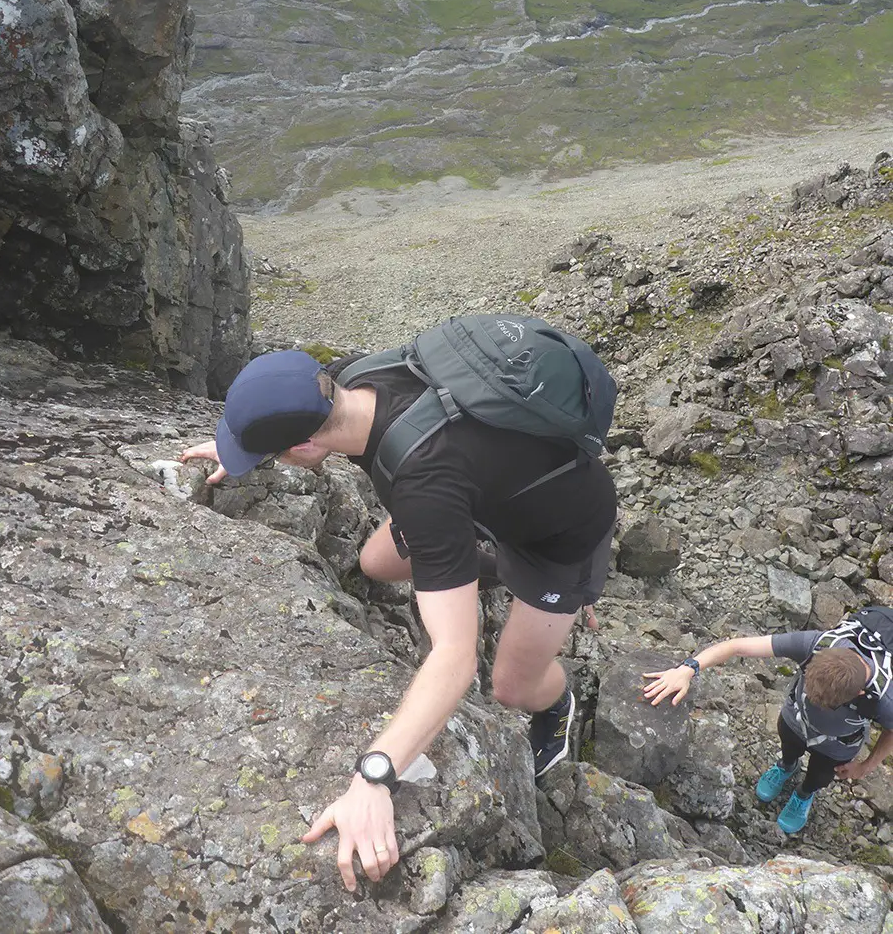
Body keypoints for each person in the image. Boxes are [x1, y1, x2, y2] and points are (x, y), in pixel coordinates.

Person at [181, 346, 617, 891]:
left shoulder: (426, 487)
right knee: (376, 562)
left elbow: (455, 658)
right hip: (486, 486)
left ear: (304, 444)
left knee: (509, 685)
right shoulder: (354, 377)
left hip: (561, 531)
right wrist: (244, 445)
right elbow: (299, 418)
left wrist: (374, 777)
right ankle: (495, 565)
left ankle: (558, 692)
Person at [642, 621, 893, 834]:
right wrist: (688, 668)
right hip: (795, 717)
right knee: (789, 745)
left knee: (821, 776)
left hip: (837, 746)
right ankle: (786, 766)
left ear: (859, 693)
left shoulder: (885, 700)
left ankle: (805, 793)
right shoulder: (815, 643)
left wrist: (865, 767)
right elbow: (735, 646)